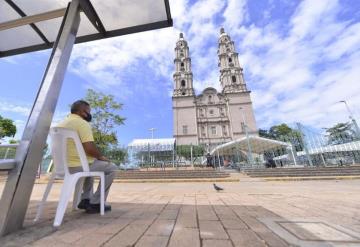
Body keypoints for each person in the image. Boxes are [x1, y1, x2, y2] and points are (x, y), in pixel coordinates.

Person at [57, 100, 117, 214]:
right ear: (82, 112)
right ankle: (97, 203)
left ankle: (86, 199)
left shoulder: (61, 124)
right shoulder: (82, 123)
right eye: (89, 111)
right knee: (112, 168)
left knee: (91, 162)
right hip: (77, 166)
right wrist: (100, 156)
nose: (89, 114)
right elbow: (89, 148)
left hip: (62, 167)